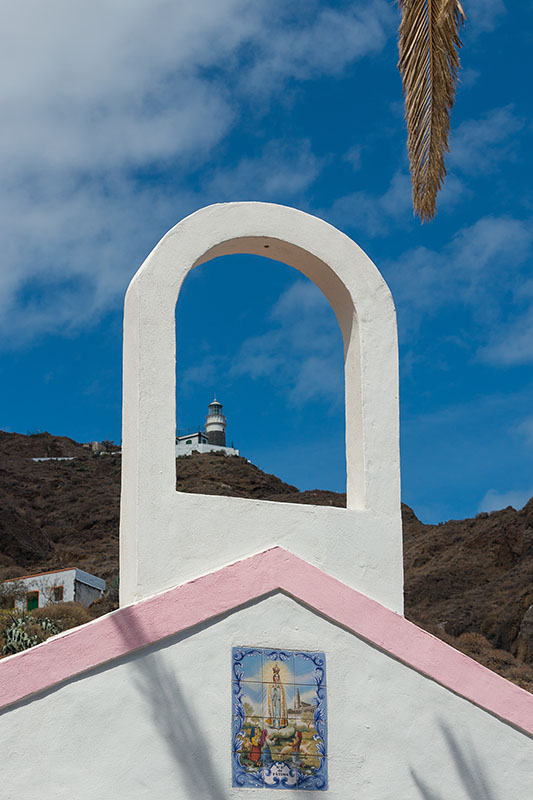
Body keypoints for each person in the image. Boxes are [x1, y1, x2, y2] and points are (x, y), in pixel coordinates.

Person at [266, 665, 287, 729]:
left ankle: (278, 725)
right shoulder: (271, 685)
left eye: (277, 677)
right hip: (273, 701)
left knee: (278, 713)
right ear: (273, 677)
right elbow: (269, 693)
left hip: (279, 702)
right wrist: (273, 690)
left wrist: (277, 689)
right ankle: (273, 724)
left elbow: (282, 694)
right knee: (273, 713)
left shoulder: (280, 686)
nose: (276, 678)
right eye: (275, 677)